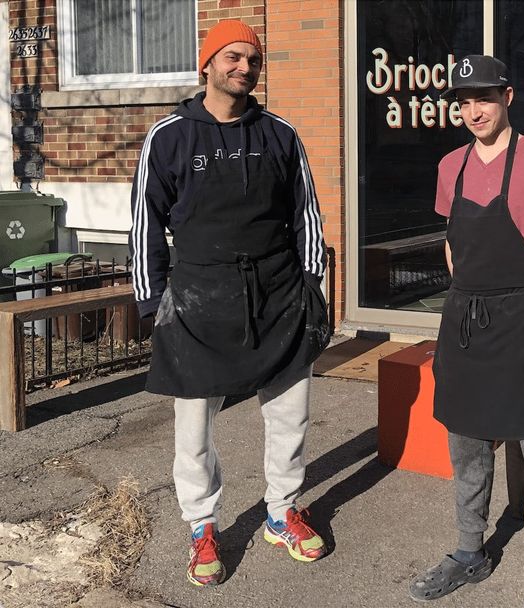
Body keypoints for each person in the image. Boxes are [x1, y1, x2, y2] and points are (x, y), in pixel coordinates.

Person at [129, 20, 331, 587]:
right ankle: (202, 526)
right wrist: (153, 304)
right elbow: (145, 224)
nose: (244, 67)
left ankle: (281, 511)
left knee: (289, 414)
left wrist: (310, 285)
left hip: (278, 292)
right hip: (198, 297)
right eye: (233, 57)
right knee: (194, 426)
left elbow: (306, 213)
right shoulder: (168, 137)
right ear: (208, 64)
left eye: (253, 59)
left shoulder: (280, 134)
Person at [407, 55, 524, 608]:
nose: (474, 111)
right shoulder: (450, 166)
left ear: (507, 97)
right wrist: (463, 292)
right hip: (465, 323)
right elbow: (452, 238)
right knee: (466, 444)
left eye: (483, 99)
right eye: (464, 102)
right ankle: (470, 552)